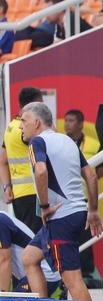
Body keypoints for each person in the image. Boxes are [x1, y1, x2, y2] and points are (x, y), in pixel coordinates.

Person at [19, 102, 102, 301]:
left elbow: (41, 171)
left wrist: (44, 206)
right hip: (76, 212)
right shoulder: (68, 141)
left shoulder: (37, 142)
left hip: (60, 217)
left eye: (24, 121)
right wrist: (93, 210)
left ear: (36, 123)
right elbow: (91, 175)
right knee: (29, 257)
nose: (21, 126)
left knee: (72, 280)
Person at [3, 88, 45, 232]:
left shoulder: (11, 126)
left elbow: (2, 160)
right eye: (41, 103)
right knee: (37, 238)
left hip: (19, 194)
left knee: (28, 237)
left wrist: (7, 186)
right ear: (33, 104)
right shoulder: (26, 129)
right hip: (33, 193)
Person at [0, 211, 63, 296]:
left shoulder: (1, 221)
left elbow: (4, 260)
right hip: (30, 274)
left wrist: (2, 295)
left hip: (43, 273)